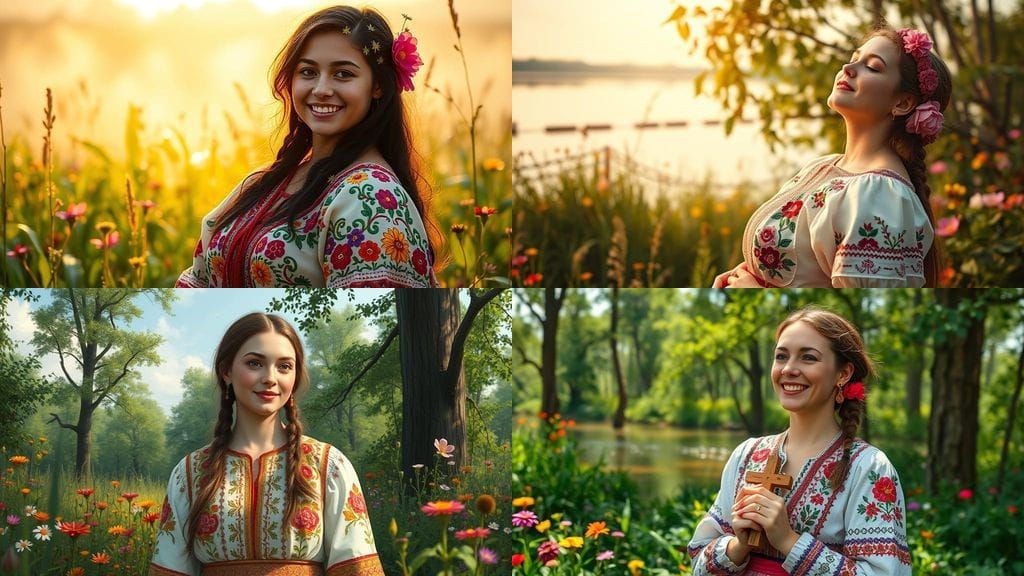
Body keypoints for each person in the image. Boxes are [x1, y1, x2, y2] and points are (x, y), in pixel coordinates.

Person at [176, 6, 438, 288]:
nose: (321, 88)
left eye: (343, 74)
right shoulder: (267, 180)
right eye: (308, 71)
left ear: (378, 86)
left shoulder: (373, 196)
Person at [714, 25, 952, 288]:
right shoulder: (824, 166)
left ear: (902, 103)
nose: (848, 68)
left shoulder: (880, 197)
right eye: (853, 59)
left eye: (872, 67)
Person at [150, 313, 383, 575]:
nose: (270, 377)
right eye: (254, 363)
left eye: (284, 366)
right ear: (226, 370)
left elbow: (356, 568)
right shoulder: (190, 473)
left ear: (294, 376)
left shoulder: (329, 466)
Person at [687, 307, 911, 575]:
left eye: (808, 358)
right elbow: (698, 559)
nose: (789, 369)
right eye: (781, 356)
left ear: (843, 374)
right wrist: (738, 547)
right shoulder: (746, 455)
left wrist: (789, 541)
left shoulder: (869, 468)